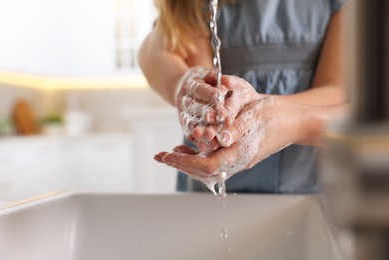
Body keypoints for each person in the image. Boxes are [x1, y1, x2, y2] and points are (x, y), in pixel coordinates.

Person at [138, 0, 347, 194]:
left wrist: (269, 114)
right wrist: (184, 86)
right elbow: (157, 48)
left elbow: (338, 92)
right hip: (213, 195)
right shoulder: (200, 4)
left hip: (310, 191)